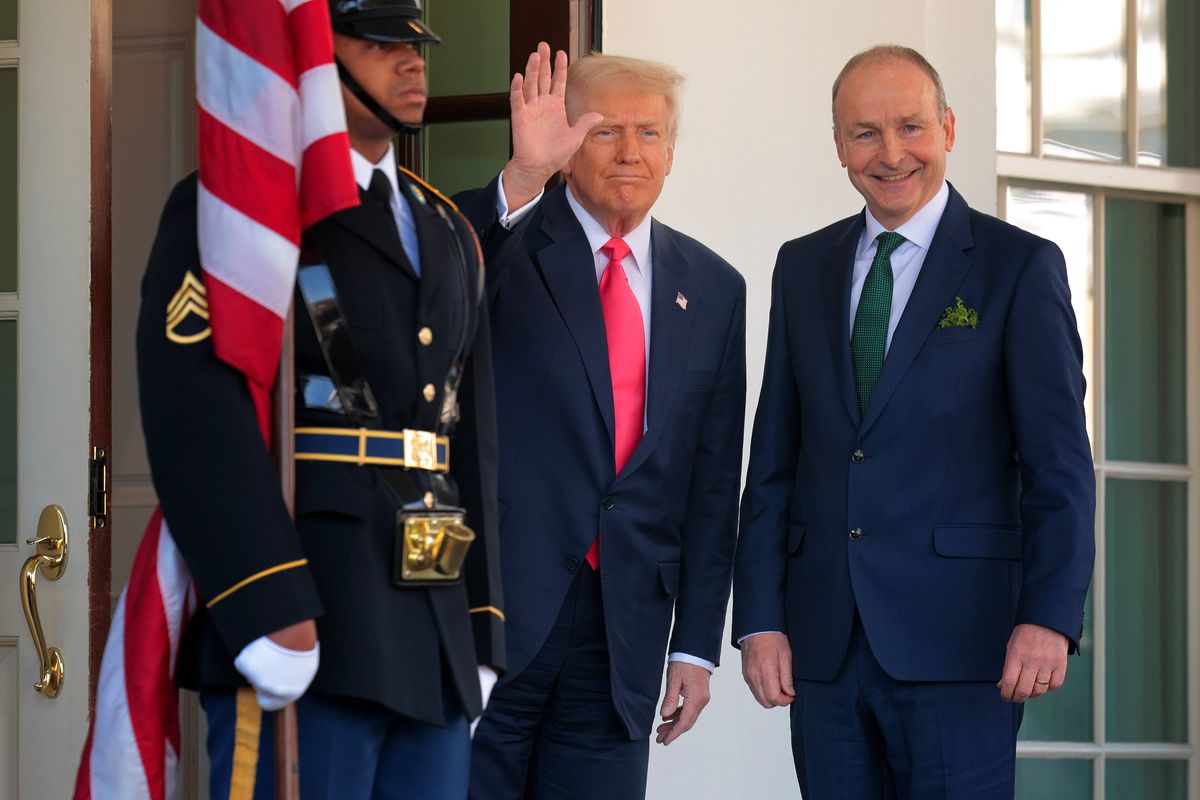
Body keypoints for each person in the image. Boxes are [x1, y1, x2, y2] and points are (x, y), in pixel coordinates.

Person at [136, 1, 502, 796]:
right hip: (315, 607)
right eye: (377, 44)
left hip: (431, 621)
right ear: (307, 57)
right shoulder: (243, 210)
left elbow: (468, 435)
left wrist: (481, 621)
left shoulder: (443, 226)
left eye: (414, 44)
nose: (412, 62)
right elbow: (196, 414)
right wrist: (262, 597)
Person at [733, 45, 1095, 798]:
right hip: (824, 649)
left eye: (910, 127)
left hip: (964, 647)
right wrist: (759, 617)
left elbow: (1059, 467)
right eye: (864, 133)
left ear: (949, 129)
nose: (891, 153)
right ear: (837, 145)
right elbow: (773, 463)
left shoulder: (1018, 267)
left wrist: (1051, 617)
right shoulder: (802, 268)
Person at [455, 48, 747, 799]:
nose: (629, 152)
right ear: (565, 141)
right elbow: (438, 280)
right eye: (604, 130)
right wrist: (522, 178)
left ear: (672, 152)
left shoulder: (712, 287)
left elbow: (712, 484)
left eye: (648, 133)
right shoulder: (510, 244)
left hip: (625, 635)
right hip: (492, 615)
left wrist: (696, 647)